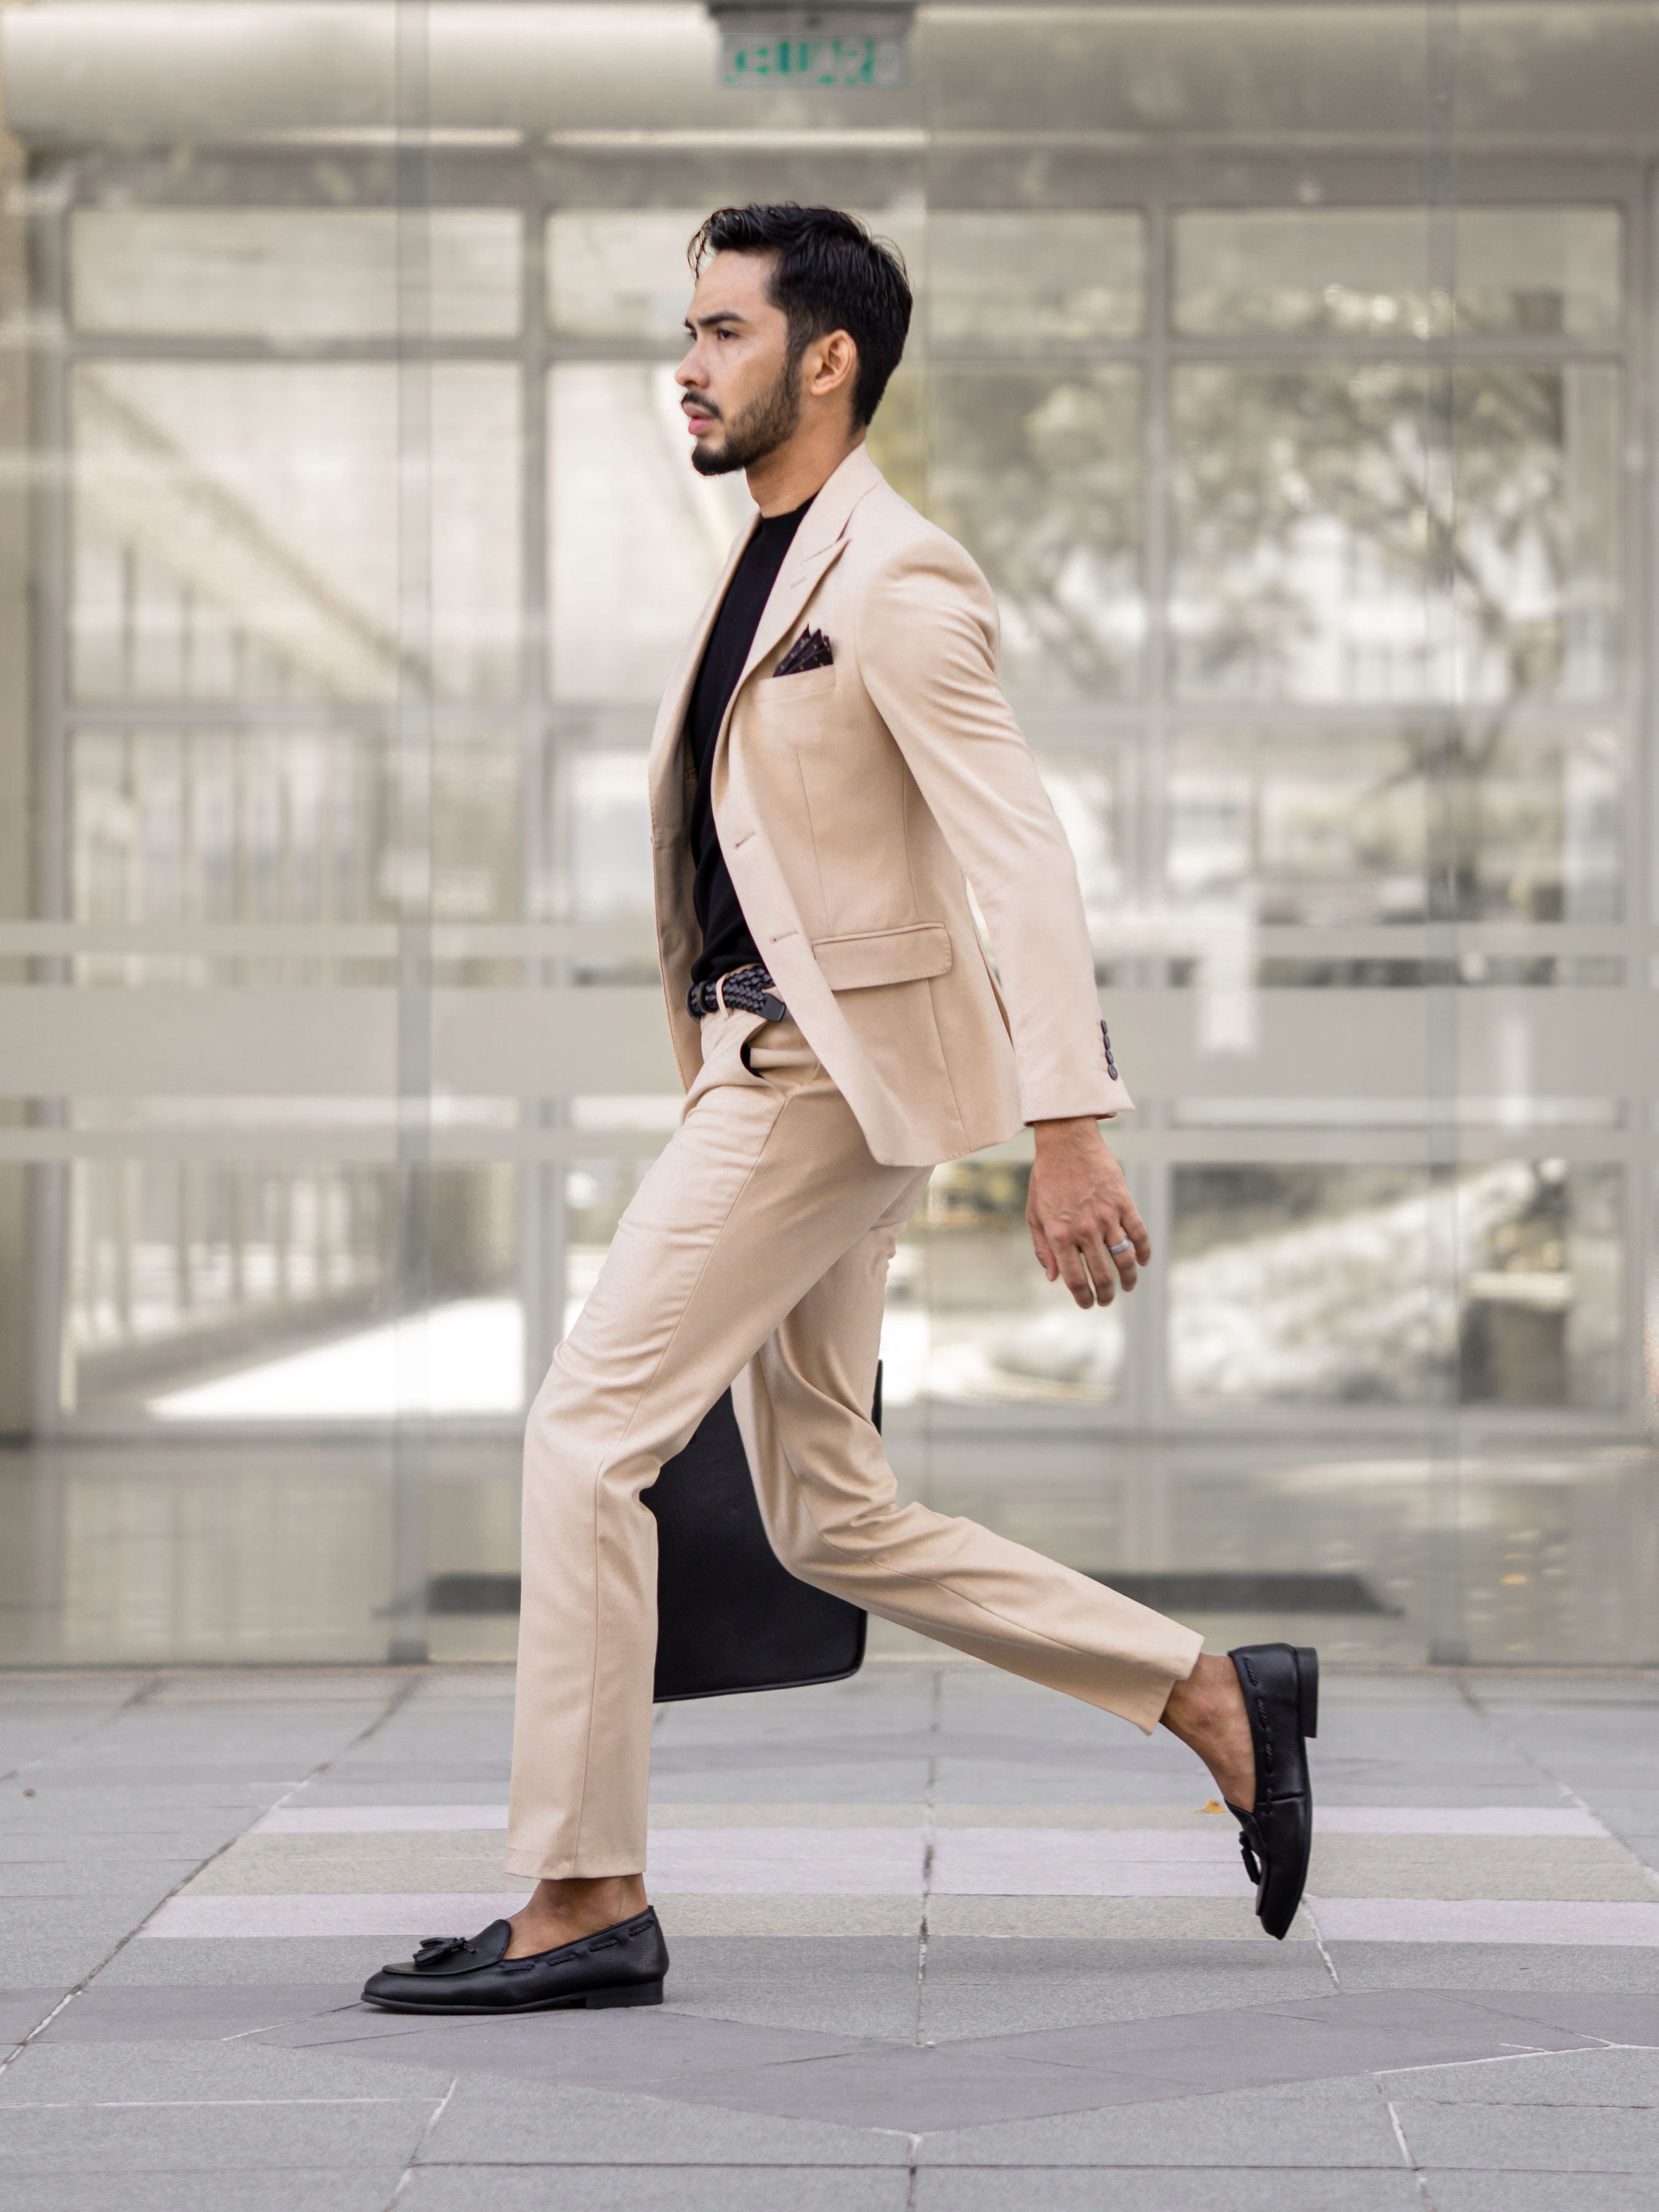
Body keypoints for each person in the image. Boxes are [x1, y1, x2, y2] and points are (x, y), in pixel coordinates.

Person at [362, 205, 1316, 2018]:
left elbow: (1018, 856)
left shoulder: (897, 576)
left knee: (587, 1438)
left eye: (721, 331)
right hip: (775, 1068)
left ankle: (584, 1896)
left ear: (827, 360)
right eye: (687, 330)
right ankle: (1210, 1693)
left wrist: (1069, 1123)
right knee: (826, 1517)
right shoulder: (762, 563)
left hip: (812, 1077)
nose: (685, 365)